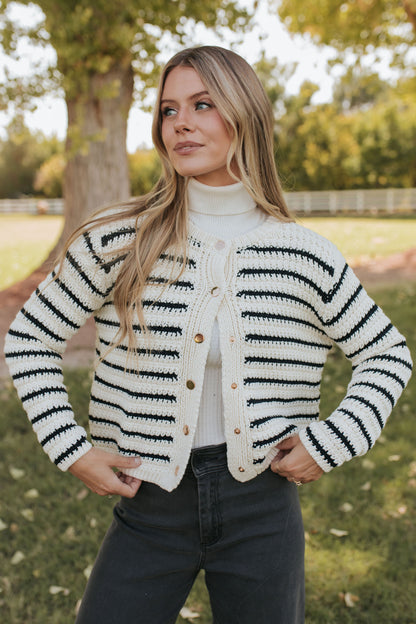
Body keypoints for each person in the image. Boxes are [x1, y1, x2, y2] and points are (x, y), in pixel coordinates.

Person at [4, 45, 412, 624]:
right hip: (149, 503)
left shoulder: (303, 255)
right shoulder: (119, 242)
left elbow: (387, 354)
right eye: (169, 111)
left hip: (263, 508)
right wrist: (71, 449)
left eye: (202, 104)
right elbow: (29, 340)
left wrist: (334, 441)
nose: (182, 124)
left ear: (244, 115)